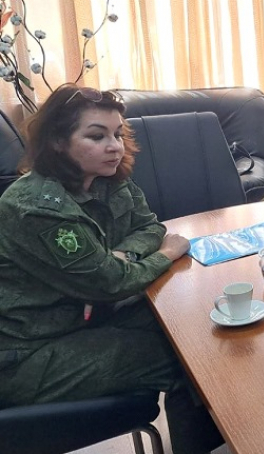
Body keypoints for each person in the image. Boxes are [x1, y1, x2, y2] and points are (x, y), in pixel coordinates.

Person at [0, 84, 223, 453]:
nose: (115, 146)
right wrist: (166, 254)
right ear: (57, 141)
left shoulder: (107, 179)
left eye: (118, 134)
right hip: (27, 355)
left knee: (198, 324)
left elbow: (149, 227)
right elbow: (112, 282)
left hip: (83, 319)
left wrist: (120, 255)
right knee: (189, 361)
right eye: (96, 136)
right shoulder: (36, 207)